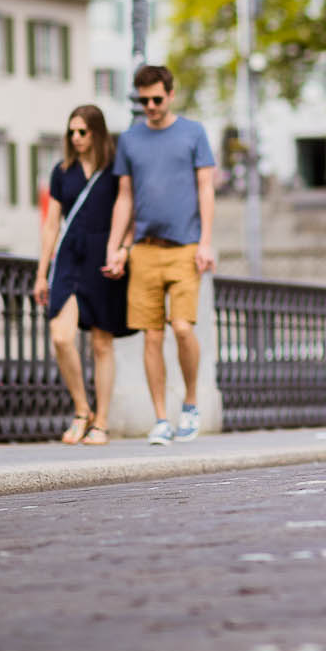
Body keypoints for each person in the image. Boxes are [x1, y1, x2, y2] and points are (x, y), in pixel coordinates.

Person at [103, 65, 217, 445]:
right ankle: (161, 419)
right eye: (143, 100)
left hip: (184, 247)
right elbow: (124, 197)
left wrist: (206, 242)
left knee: (182, 327)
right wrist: (116, 247)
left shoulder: (193, 133)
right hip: (145, 251)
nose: (150, 106)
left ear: (170, 94)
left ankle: (190, 403)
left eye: (156, 99)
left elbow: (206, 189)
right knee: (151, 337)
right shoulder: (131, 140)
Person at [33, 105, 133, 445]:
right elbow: (51, 224)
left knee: (101, 343)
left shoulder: (116, 168)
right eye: (71, 132)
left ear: (97, 132)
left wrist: (124, 249)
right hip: (70, 256)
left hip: (103, 256)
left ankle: (101, 421)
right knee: (61, 335)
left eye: (82, 132)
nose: (76, 138)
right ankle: (81, 409)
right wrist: (41, 272)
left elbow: (131, 211)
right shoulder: (63, 171)